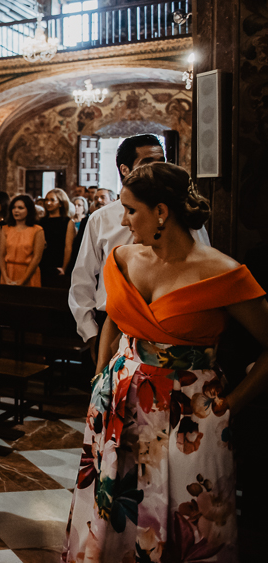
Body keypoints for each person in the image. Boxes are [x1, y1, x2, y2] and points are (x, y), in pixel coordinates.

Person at [62, 162, 268, 562]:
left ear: (161, 212)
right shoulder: (121, 259)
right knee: (114, 506)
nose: (122, 220)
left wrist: (229, 406)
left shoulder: (222, 273)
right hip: (119, 403)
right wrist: (101, 374)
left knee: (186, 514)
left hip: (189, 411)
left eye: (131, 210)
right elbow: (114, 320)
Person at [69, 134, 210, 350]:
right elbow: (82, 278)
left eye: (161, 161)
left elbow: (204, 263)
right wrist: (90, 333)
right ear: (125, 170)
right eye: (148, 162)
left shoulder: (180, 213)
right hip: (111, 322)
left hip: (169, 321)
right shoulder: (101, 218)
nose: (157, 168)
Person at [0, 195, 45, 287]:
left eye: (20, 208)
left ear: (29, 210)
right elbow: (1, 255)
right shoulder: (5, 229)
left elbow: (36, 258)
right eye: (14, 208)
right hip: (8, 272)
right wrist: (5, 277)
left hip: (28, 272)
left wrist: (22, 280)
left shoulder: (37, 230)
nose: (16, 211)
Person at [38, 188, 76, 287]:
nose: (48, 203)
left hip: (58, 261)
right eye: (46, 200)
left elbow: (68, 247)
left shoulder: (67, 222)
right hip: (42, 261)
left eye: (52, 200)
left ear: (60, 203)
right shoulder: (41, 221)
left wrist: (64, 267)